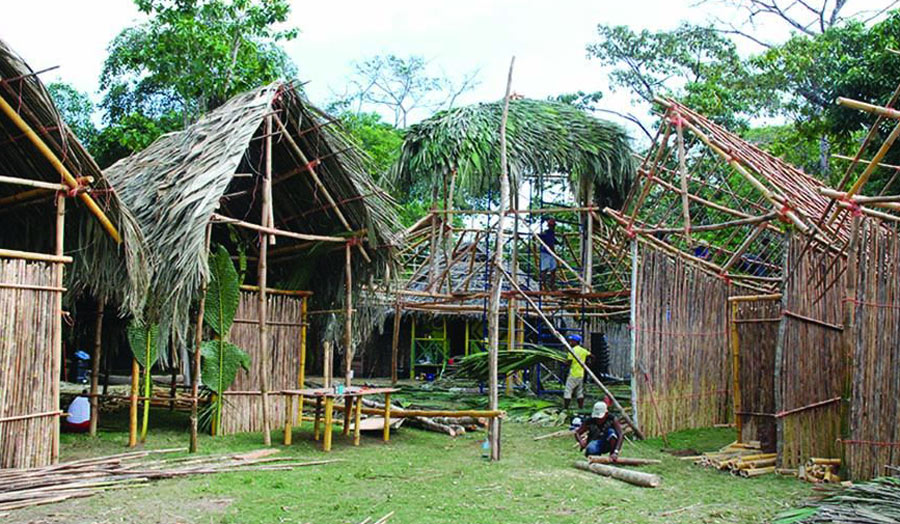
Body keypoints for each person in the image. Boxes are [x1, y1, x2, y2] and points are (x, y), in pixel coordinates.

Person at [563, 333, 590, 410]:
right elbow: (592, 356)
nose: (570, 342)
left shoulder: (572, 351)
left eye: (571, 341)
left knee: (568, 391)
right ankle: (580, 408)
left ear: (575, 341)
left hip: (573, 374)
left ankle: (565, 408)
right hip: (581, 374)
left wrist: (563, 362)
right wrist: (589, 364)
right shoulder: (583, 350)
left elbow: (569, 362)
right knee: (579, 392)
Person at [538, 218, 557, 290]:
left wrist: (558, 243)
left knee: (553, 269)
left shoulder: (551, 233)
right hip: (546, 252)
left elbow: (553, 241)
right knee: (544, 269)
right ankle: (543, 285)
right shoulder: (547, 232)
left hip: (551, 253)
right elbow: (545, 239)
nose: (553, 227)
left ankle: (551, 285)